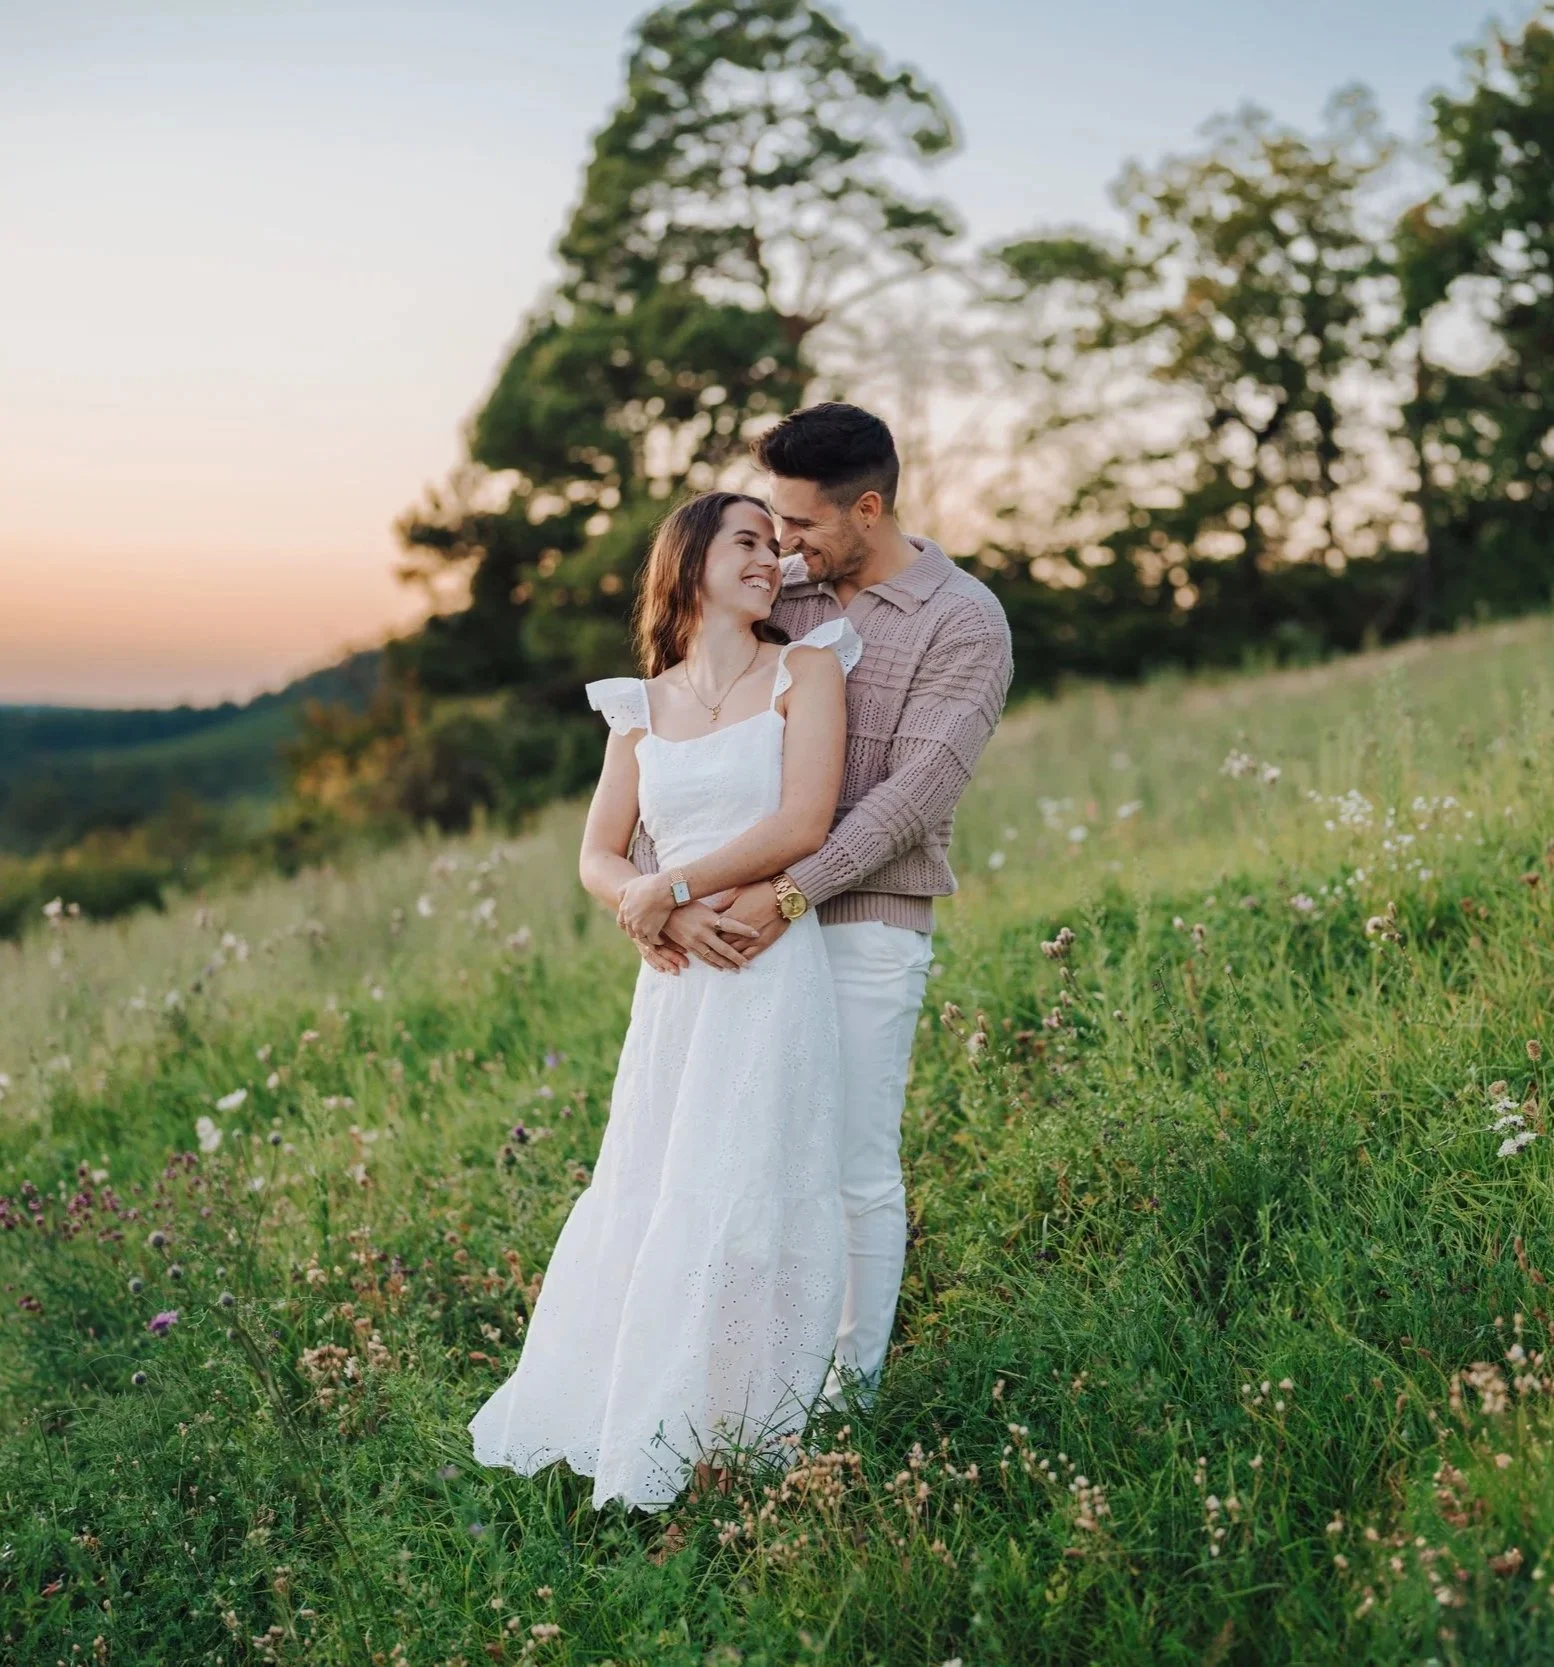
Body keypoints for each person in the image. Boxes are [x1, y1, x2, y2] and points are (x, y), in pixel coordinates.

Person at [468, 490, 864, 1511]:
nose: (770, 559)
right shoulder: (640, 707)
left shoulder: (809, 669)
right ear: (687, 561)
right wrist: (656, 913)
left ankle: (748, 1422)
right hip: (683, 985)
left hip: (772, 976)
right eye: (746, 541)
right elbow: (599, 856)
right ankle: (648, 1412)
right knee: (660, 1183)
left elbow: (804, 819)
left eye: (775, 547)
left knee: (755, 1184)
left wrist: (673, 886)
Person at [626, 402, 1013, 1406]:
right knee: (741, 1159)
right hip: (736, 922)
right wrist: (664, 890)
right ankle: (745, 1379)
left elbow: (914, 795)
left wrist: (791, 892)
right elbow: (682, 733)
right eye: (774, 527)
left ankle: (850, 1396)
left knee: (850, 1163)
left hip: (866, 918)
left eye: (800, 524)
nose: (784, 545)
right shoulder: (784, 596)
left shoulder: (961, 621)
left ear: (870, 507)